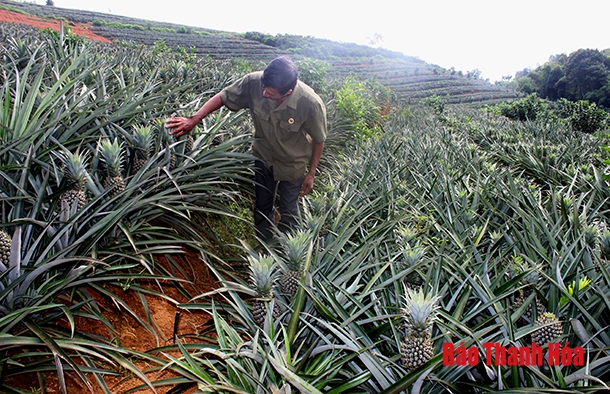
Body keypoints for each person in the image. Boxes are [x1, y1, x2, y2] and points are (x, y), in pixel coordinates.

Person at [165, 56, 327, 241]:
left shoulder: (310, 103)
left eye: (271, 93)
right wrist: (195, 119)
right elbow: (223, 96)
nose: (264, 93)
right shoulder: (254, 82)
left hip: (292, 164)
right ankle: (264, 245)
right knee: (262, 205)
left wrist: (311, 174)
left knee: (289, 211)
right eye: (264, 88)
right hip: (263, 157)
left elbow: (319, 140)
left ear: (287, 92)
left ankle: (286, 255)